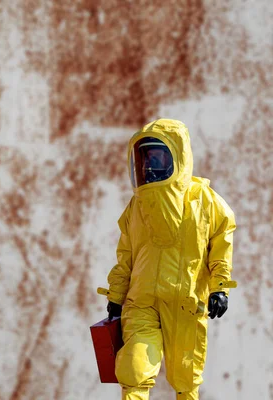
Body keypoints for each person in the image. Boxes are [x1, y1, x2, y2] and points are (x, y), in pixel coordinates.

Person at [102, 119, 236, 400]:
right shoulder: (137, 206)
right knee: (134, 369)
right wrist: (117, 295)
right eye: (146, 156)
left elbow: (222, 243)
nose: (150, 164)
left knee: (185, 379)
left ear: (178, 157)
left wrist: (219, 287)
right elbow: (126, 254)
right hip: (142, 301)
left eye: (158, 156)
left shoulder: (206, 202)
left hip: (185, 303)